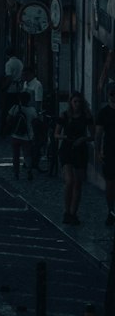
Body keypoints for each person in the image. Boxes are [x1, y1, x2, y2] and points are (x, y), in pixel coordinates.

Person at [55, 91, 94, 224]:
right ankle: (66, 211)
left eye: (79, 102)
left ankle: (73, 212)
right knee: (69, 181)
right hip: (67, 149)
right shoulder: (65, 115)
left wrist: (83, 138)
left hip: (80, 150)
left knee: (78, 183)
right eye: (75, 102)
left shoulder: (86, 116)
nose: (77, 104)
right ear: (71, 103)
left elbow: (93, 135)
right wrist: (65, 137)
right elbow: (56, 133)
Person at [94, 84, 115, 225]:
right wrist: (98, 150)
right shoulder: (104, 112)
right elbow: (99, 133)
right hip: (110, 150)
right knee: (110, 183)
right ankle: (111, 211)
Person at [7, 90, 38, 181]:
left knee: (15, 155)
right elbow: (35, 122)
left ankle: (16, 173)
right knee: (27, 155)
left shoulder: (15, 108)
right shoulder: (32, 110)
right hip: (27, 137)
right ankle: (29, 170)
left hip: (15, 135)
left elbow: (8, 119)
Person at [0, 49, 24, 136]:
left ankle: (4, 131)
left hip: (11, 90)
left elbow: (9, 78)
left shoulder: (9, 63)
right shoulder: (20, 62)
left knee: (7, 110)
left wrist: (3, 87)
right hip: (19, 89)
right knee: (17, 110)